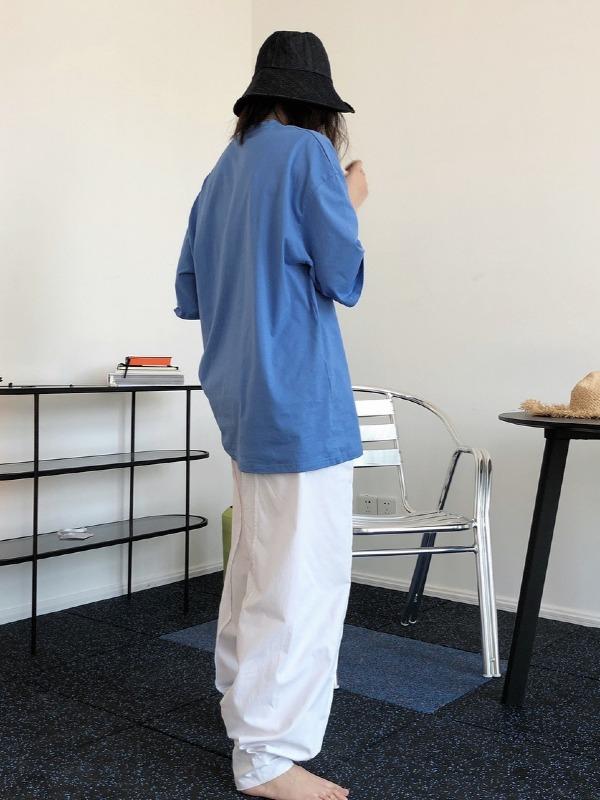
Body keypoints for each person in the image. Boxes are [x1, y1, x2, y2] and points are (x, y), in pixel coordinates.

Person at [174, 30, 368, 800]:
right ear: (317, 105)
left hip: (243, 399)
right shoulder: (310, 156)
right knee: (302, 580)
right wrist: (349, 201)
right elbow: (343, 275)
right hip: (301, 404)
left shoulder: (220, 172)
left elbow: (191, 292)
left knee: (258, 564)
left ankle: (245, 708)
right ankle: (267, 758)